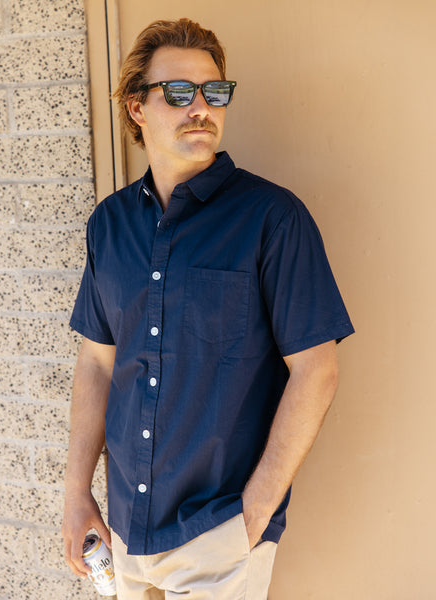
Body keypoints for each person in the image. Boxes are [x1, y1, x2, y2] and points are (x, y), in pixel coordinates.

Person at [62, 17, 354, 600]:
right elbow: (97, 362)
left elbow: (316, 369)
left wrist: (253, 515)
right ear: (136, 108)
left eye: (214, 92)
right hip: (123, 530)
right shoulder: (110, 225)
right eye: (178, 92)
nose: (201, 107)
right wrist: (76, 494)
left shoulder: (273, 219)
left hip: (219, 533)